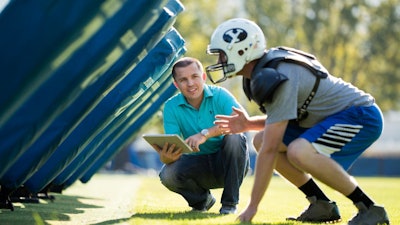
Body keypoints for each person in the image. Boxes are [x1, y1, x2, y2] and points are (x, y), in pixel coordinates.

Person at [205, 18, 390, 224]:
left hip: (361, 116)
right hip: (328, 119)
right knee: (260, 139)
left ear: (241, 51)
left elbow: (271, 149)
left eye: (222, 54)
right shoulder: (262, 73)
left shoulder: (278, 75)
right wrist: (248, 124)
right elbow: (281, 120)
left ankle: (369, 208)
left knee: (297, 151)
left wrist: (252, 207)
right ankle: (321, 204)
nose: (220, 61)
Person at [153, 57, 250, 214]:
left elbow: (241, 121)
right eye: (183, 80)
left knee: (234, 137)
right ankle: (202, 201)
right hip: (197, 165)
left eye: (194, 77)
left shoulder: (220, 95)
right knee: (167, 174)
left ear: (203, 77)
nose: (190, 83)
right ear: (176, 84)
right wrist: (166, 158)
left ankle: (229, 205)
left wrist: (205, 134)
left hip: (228, 165)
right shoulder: (171, 107)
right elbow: (174, 146)